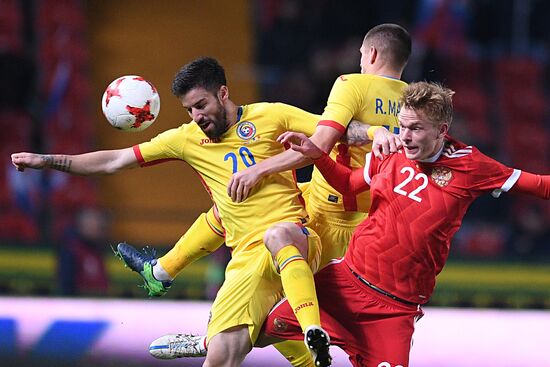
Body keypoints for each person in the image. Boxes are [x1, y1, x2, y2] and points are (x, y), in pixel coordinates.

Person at [11, 57, 332, 367]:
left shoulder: (271, 115)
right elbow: (113, 161)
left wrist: (380, 134)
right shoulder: (186, 139)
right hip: (246, 260)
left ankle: (308, 331)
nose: (196, 116)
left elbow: (332, 132)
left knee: (268, 233)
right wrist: (48, 160)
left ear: (223, 93)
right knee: (220, 358)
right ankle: (186, 303)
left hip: (296, 238)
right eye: (189, 109)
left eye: (201, 105)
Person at [144, 23, 412, 366]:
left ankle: (210, 337)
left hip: (325, 213)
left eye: (362, 55)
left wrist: (260, 168)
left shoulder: (352, 84)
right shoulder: (415, 105)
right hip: (374, 229)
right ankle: (166, 274)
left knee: (254, 231)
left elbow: (324, 140)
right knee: (245, 214)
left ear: (371, 54)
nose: (360, 61)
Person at [255, 81, 549, 367]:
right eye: (403, 125)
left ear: (442, 131)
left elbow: (539, 185)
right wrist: (316, 155)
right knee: (258, 334)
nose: (405, 136)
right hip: (343, 284)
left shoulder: (471, 165)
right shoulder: (390, 151)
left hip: (393, 311)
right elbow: (347, 184)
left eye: (416, 128)